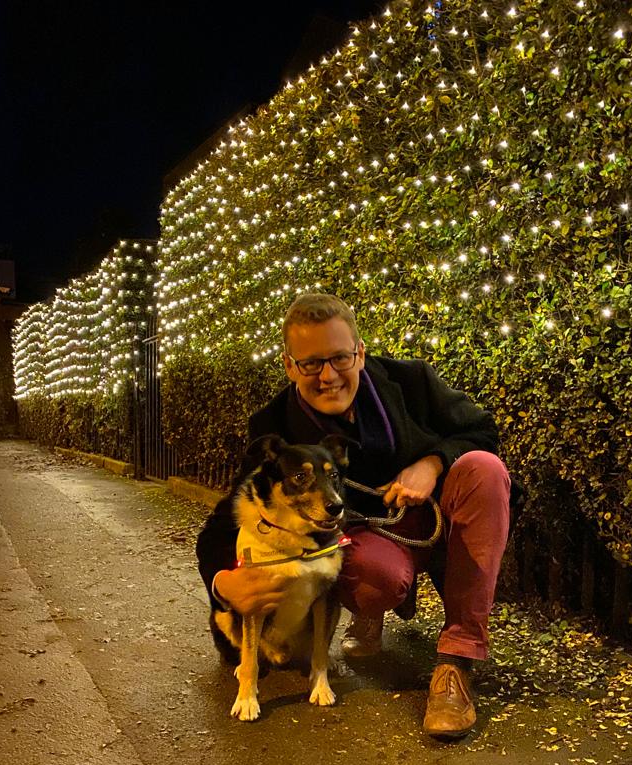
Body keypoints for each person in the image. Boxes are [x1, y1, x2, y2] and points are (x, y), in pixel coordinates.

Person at [196, 293, 516, 739]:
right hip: (369, 539)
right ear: (289, 366)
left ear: (360, 354)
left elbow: (481, 429)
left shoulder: (412, 379)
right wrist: (223, 583)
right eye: (311, 363)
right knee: (368, 578)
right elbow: (226, 517)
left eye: (340, 358)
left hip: (439, 517)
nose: (328, 376)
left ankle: (456, 661)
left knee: (485, 468)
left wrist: (433, 463)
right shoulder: (273, 425)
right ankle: (370, 610)